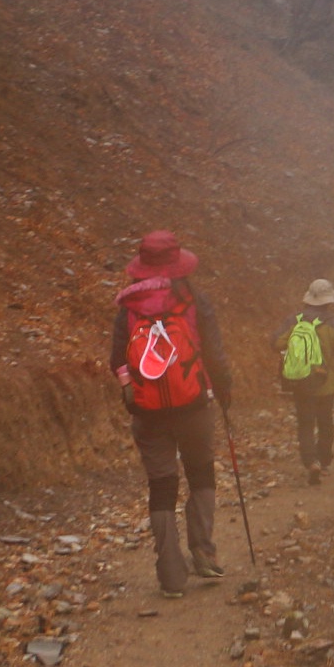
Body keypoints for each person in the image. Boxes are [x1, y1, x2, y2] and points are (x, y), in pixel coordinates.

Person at [109, 231, 234, 596]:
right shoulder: (193, 298)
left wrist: (132, 395)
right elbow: (212, 349)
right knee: (200, 471)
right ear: (177, 263)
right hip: (194, 402)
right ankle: (204, 554)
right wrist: (223, 390)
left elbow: (117, 360)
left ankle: (170, 576)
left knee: (161, 485)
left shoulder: (128, 308)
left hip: (148, 412)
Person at [275, 279, 334, 486]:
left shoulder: (294, 320)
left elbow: (275, 341)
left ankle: (310, 461)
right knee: (325, 421)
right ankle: (323, 460)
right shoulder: (333, 322)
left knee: (305, 422)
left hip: (300, 380)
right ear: (328, 300)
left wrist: (293, 355)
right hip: (325, 382)